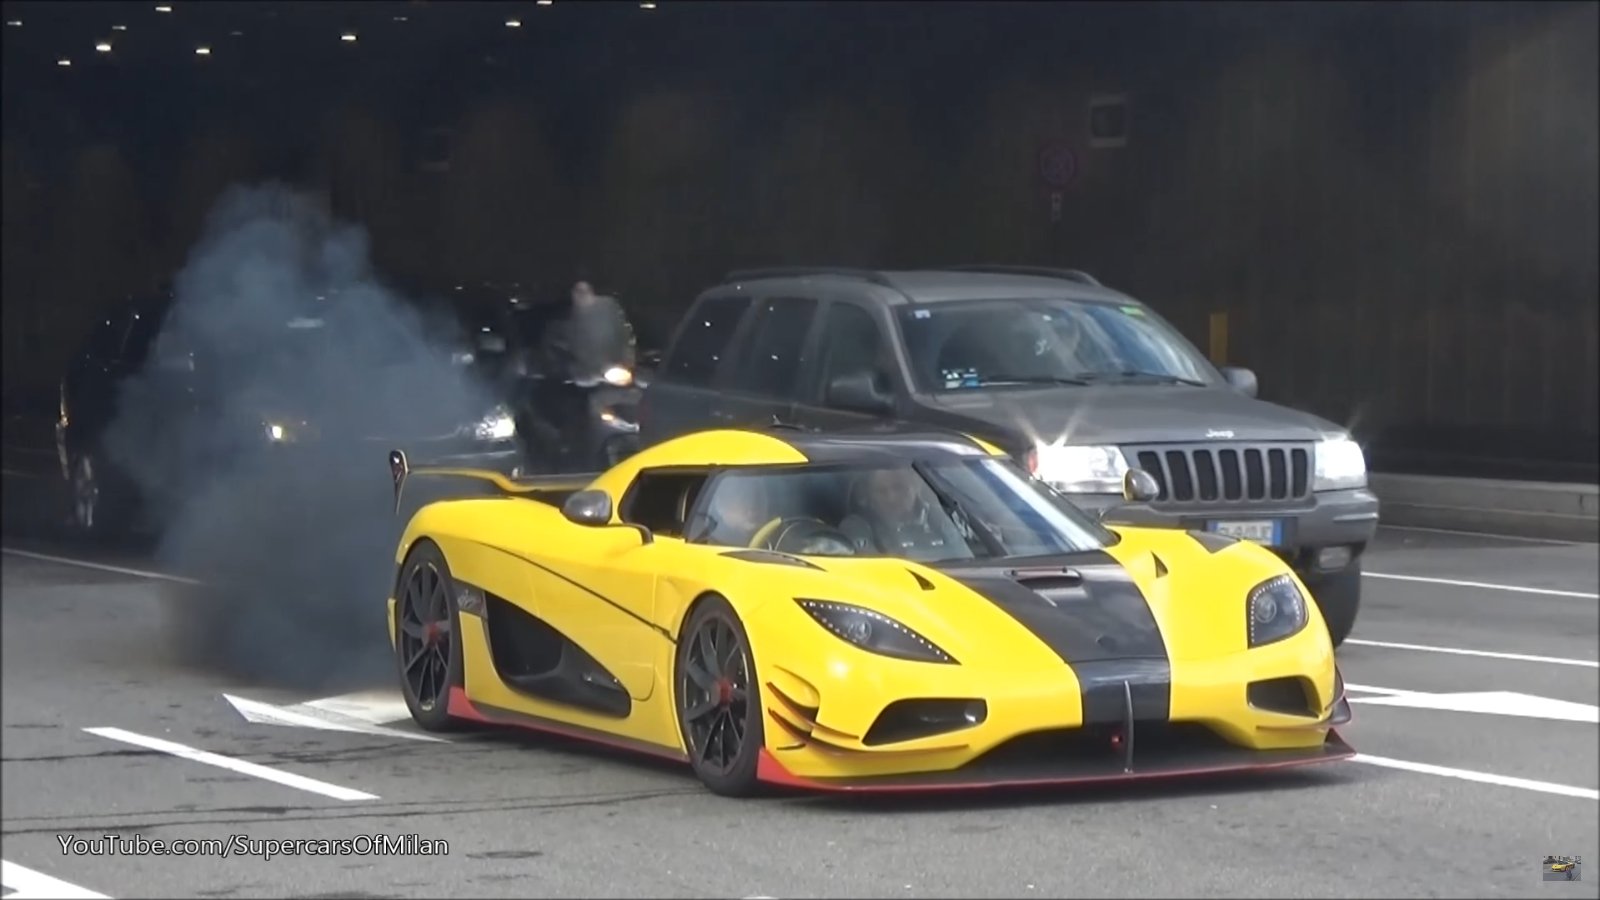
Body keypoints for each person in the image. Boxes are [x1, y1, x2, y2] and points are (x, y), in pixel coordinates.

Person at [838, 467, 971, 561]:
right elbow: (871, 567)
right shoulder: (858, 526)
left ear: (915, 487)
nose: (891, 498)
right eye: (881, 491)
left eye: (899, 488)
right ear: (870, 496)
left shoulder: (941, 517)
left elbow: (964, 556)